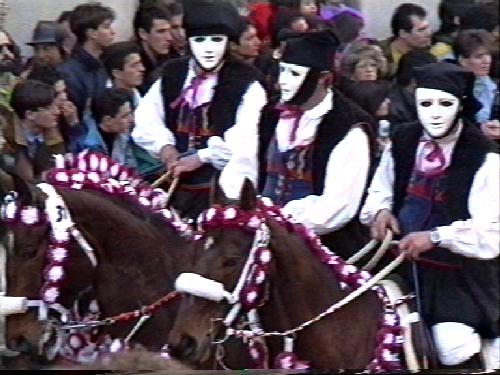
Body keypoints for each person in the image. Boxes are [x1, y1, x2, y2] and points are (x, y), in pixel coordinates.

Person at [360, 62, 499, 370]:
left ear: (461, 106)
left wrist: (436, 237)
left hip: (461, 275)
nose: (434, 113)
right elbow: (380, 187)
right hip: (402, 266)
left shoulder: (483, 155)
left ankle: (489, 358)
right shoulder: (403, 140)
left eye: (445, 104)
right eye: (426, 103)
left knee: (451, 346)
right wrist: (381, 211)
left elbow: (491, 232)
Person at [132, 0, 267, 219]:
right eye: (200, 40)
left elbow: (245, 140)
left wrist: (203, 157)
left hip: (222, 191)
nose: (208, 48)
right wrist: (165, 147)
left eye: (216, 40)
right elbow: (147, 116)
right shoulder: (173, 74)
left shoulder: (247, 83)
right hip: (175, 185)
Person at [258, 30, 375, 259]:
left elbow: (336, 209)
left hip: (324, 248)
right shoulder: (270, 114)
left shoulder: (348, 127)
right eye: (282, 70)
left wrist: (279, 224)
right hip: (263, 235)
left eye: (293, 73)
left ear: (324, 79)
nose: (283, 81)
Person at [59, 2, 115, 152]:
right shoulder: (69, 73)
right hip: (80, 148)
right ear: (91, 33)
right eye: (106, 26)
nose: (113, 32)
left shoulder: (99, 66)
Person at [7, 80, 64, 181]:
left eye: (55, 106)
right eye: (48, 108)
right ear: (30, 114)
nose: (57, 112)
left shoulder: (51, 131)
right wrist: (44, 177)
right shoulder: (8, 141)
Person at [454, 29, 499, 141]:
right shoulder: (454, 89)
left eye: (488, 54)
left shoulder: (495, 86)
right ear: (463, 60)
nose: (487, 60)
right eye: (479, 56)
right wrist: (479, 129)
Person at [379, 3, 432, 78]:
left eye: (428, 27)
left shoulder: (434, 50)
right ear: (403, 33)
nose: (428, 33)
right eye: (421, 30)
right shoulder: (379, 55)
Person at [133, 2, 173, 95]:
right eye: (161, 31)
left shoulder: (169, 59)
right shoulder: (134, 65)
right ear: (143, 34)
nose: (169, 38)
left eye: (169, 31)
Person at [101, 41, 145, 107]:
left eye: (140, 63)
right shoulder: (102, 104)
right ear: (117, 73)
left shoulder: (141, 96)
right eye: (134, 65)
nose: (142, 69)